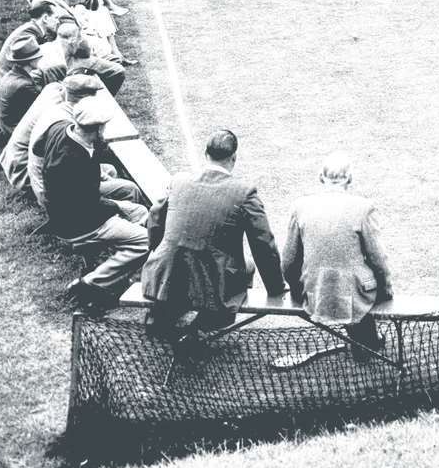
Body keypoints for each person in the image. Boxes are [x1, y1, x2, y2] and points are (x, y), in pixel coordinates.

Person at [141, 128, 287, 335]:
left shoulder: (178, 180)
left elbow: (155, 218)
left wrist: (157, 252)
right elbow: (263, 244)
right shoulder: (244, 192)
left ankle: (163, 314)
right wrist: (276, 288)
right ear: (233, 158)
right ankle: (204, 326)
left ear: (206, 155)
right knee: (248, 267)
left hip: (166, 271)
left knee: (182, 263)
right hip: (211, 282)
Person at [281, 152, 395, 361]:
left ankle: (366, 342)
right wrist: (386, 290)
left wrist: (298, 290)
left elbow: (288, 261)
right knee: (355, 283)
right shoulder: (364, 208)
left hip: (315, 292)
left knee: (346, 281)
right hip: (355, 296)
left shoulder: (300, 207)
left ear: (321, 177)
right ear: (349, 178)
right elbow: (378, 258)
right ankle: (366, 343)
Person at [46, 96, 151, 310]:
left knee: (132, 201)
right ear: (96, 128)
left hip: (67, 208)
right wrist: (120, 208)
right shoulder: (72, 159)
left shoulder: (63, 129)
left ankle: (117, 269)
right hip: (77, 223)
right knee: (144, 240)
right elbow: (88, 205)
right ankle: (92, 283)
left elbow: (41, 148)